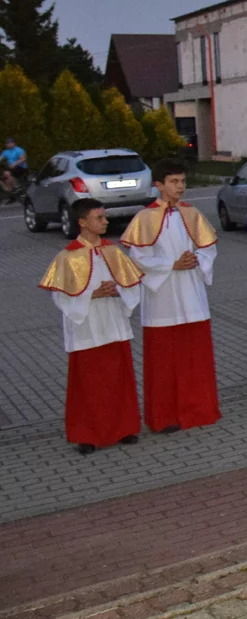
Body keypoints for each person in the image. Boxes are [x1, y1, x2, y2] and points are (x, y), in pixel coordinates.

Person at [119, 160, 220, 433]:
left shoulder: (192, 213)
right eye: (174, 182)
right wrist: (170, 265)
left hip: (191, 292)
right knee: (163, 361)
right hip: (161, 295)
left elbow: (208, 248)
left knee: (193, 356)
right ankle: (163, 416)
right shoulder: (144, 218)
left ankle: (199, 409)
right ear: (159, 185)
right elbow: (138, 257)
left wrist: (197, 259)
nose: (180, 187)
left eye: (183, 182)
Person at [38, 199, 143, 454]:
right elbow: (60, 296)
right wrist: (91, 295)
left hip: (113, 322)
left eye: (105, 217)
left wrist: (117, 291)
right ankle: (87, 434)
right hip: (86, 326)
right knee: (88, 383)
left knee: (119, 378)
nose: (105, 221)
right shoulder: (67, 257)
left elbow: (132, 285)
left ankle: (124, 428)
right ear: (82, 222)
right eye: (99, 218)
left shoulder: (114, 251)